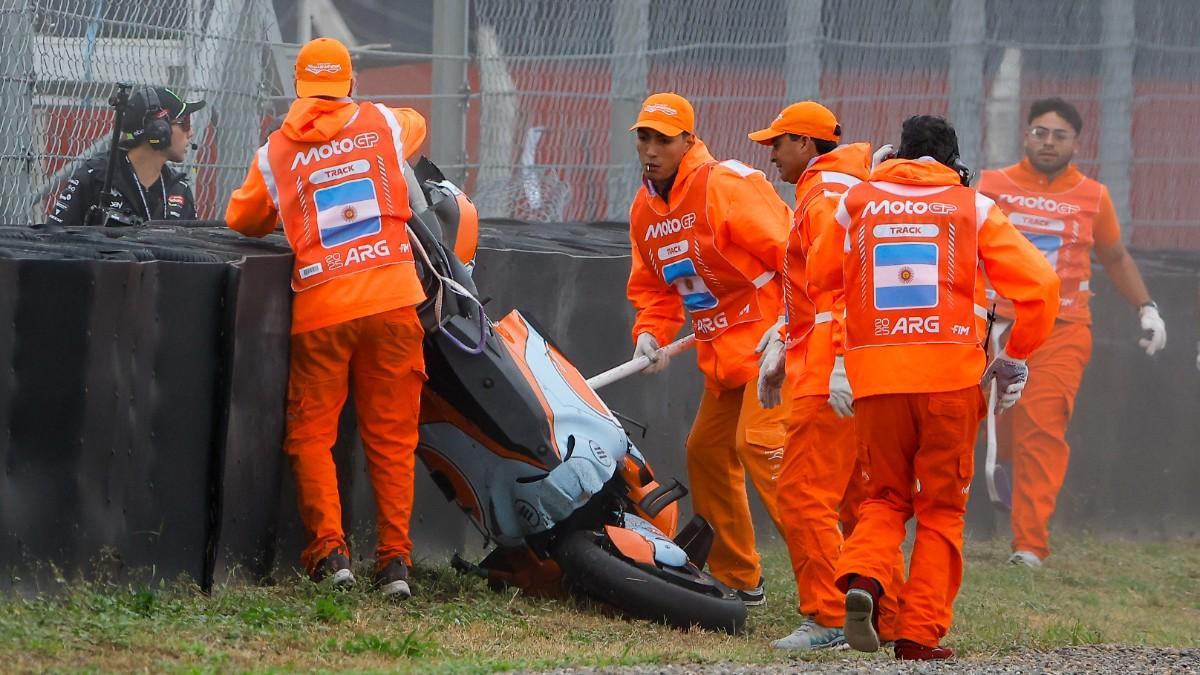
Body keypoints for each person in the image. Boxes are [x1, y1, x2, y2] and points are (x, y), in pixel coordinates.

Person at [813, 115, 1060, 660]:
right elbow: (1041, 285)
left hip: (875, 378)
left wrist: (834, 363)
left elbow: (823, 282)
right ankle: (919, 637)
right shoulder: (975, 206)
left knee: (882, 497)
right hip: (951, 381)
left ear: (896, 154)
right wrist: (1014, 357)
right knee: (941, 509)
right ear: (954, 163)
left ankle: (865, 578)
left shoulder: (854, 203)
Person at [224, 37, 430, 598]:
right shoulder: (383, 122)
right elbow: (417, 124)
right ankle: (394, 564)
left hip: (320, 308)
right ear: (350, 83)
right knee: (391, 438)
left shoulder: (275, 152)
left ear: (297, 86)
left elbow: (242, 217)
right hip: (392, 302)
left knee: (312, 435)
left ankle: (330, 552)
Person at [978, 98, 1167, 568]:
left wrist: (1147, 308)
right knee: (966, 425)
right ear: (1025, 135)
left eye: (1059, 135)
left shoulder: (1093, 195)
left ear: (1077, 143)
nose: (1047, 142)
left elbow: (1116, 257)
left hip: (1061, 330)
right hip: (992, 326)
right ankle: (931, 525)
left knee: (1041, 430)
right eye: (1040, 132)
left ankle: (1029, 546)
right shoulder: (991, 185)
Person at [626, 92, 791, 605]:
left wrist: (788, 329)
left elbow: (797, 254)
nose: (651, 150)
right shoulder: (644, 210)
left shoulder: (724, 184)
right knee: (706, 451)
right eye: (644, 138)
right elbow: (654, 288)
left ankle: (842, 577)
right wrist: (649, 332)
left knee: (759, 449)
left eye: (664, 139)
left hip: (772, 348)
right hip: (724, 357)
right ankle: (741, 578)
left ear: (689, 141)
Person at [748, 101, 902, 650]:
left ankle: (830, 616)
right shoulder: (834, 189)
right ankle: (886, 612)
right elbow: (815, 292)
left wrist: (833, 363)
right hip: (848, 365)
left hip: (832, 373)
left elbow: (840, 288)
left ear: (808, 145)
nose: (771, 157)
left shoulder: (826, 195)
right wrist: (784, 341)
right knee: (859, 497)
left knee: (802, 490)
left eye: (779, 144)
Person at [49, 87, 203, 227]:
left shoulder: (179, 190)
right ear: (158, 129)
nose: (190, 133)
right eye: (185, 123)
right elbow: (53, 240)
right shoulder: (95, 178)